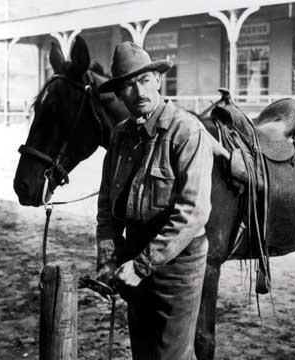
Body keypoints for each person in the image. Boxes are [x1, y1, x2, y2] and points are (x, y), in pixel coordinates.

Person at [95, 41, 213, 360]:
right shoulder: (120, 136)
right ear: (119, 94)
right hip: (134, 254)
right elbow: (106, 206)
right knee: (143, 351)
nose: (138, 92)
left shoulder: (186, 132)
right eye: (128, 86)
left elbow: (192, 213)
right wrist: (109, 255)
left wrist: (142, 265)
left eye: (144, 80)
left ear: (158, 80)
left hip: (178, 261)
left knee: (171, 354)